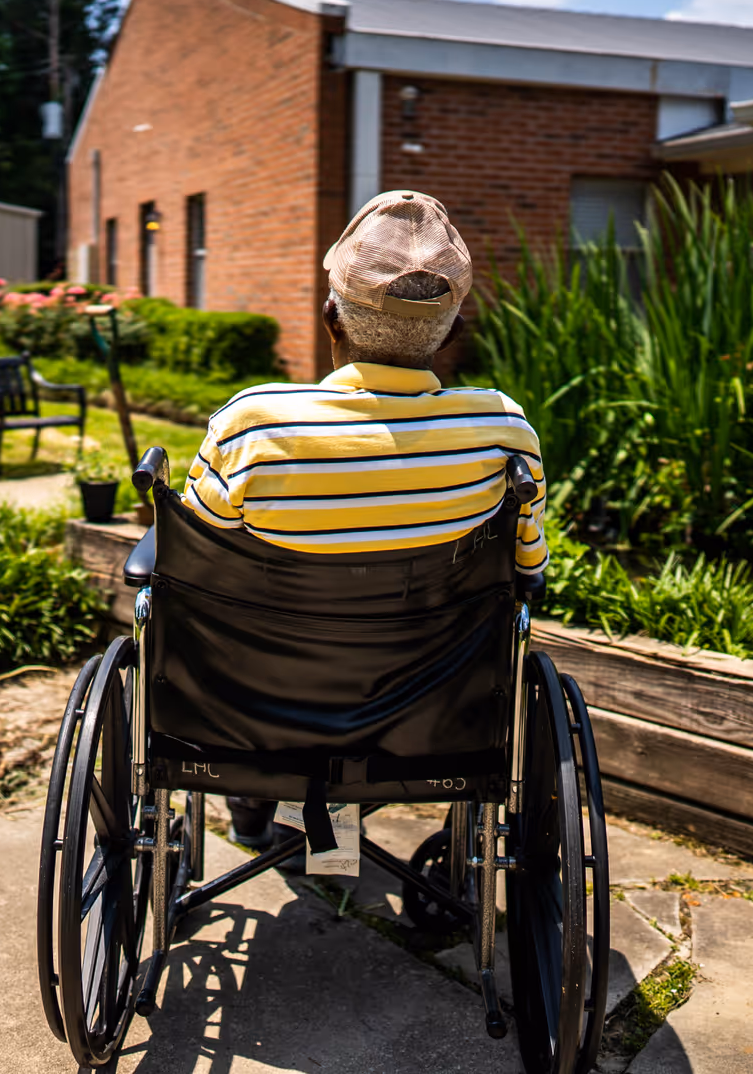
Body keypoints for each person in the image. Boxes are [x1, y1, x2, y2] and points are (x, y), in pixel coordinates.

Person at [179, 189, 548, 853]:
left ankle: (255, 801)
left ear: (332, 320)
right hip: (431, 710)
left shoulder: (252, 423)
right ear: (453, 332)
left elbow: (199, 560)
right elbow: (528, 571)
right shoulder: (501, 427)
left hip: (265, 704)